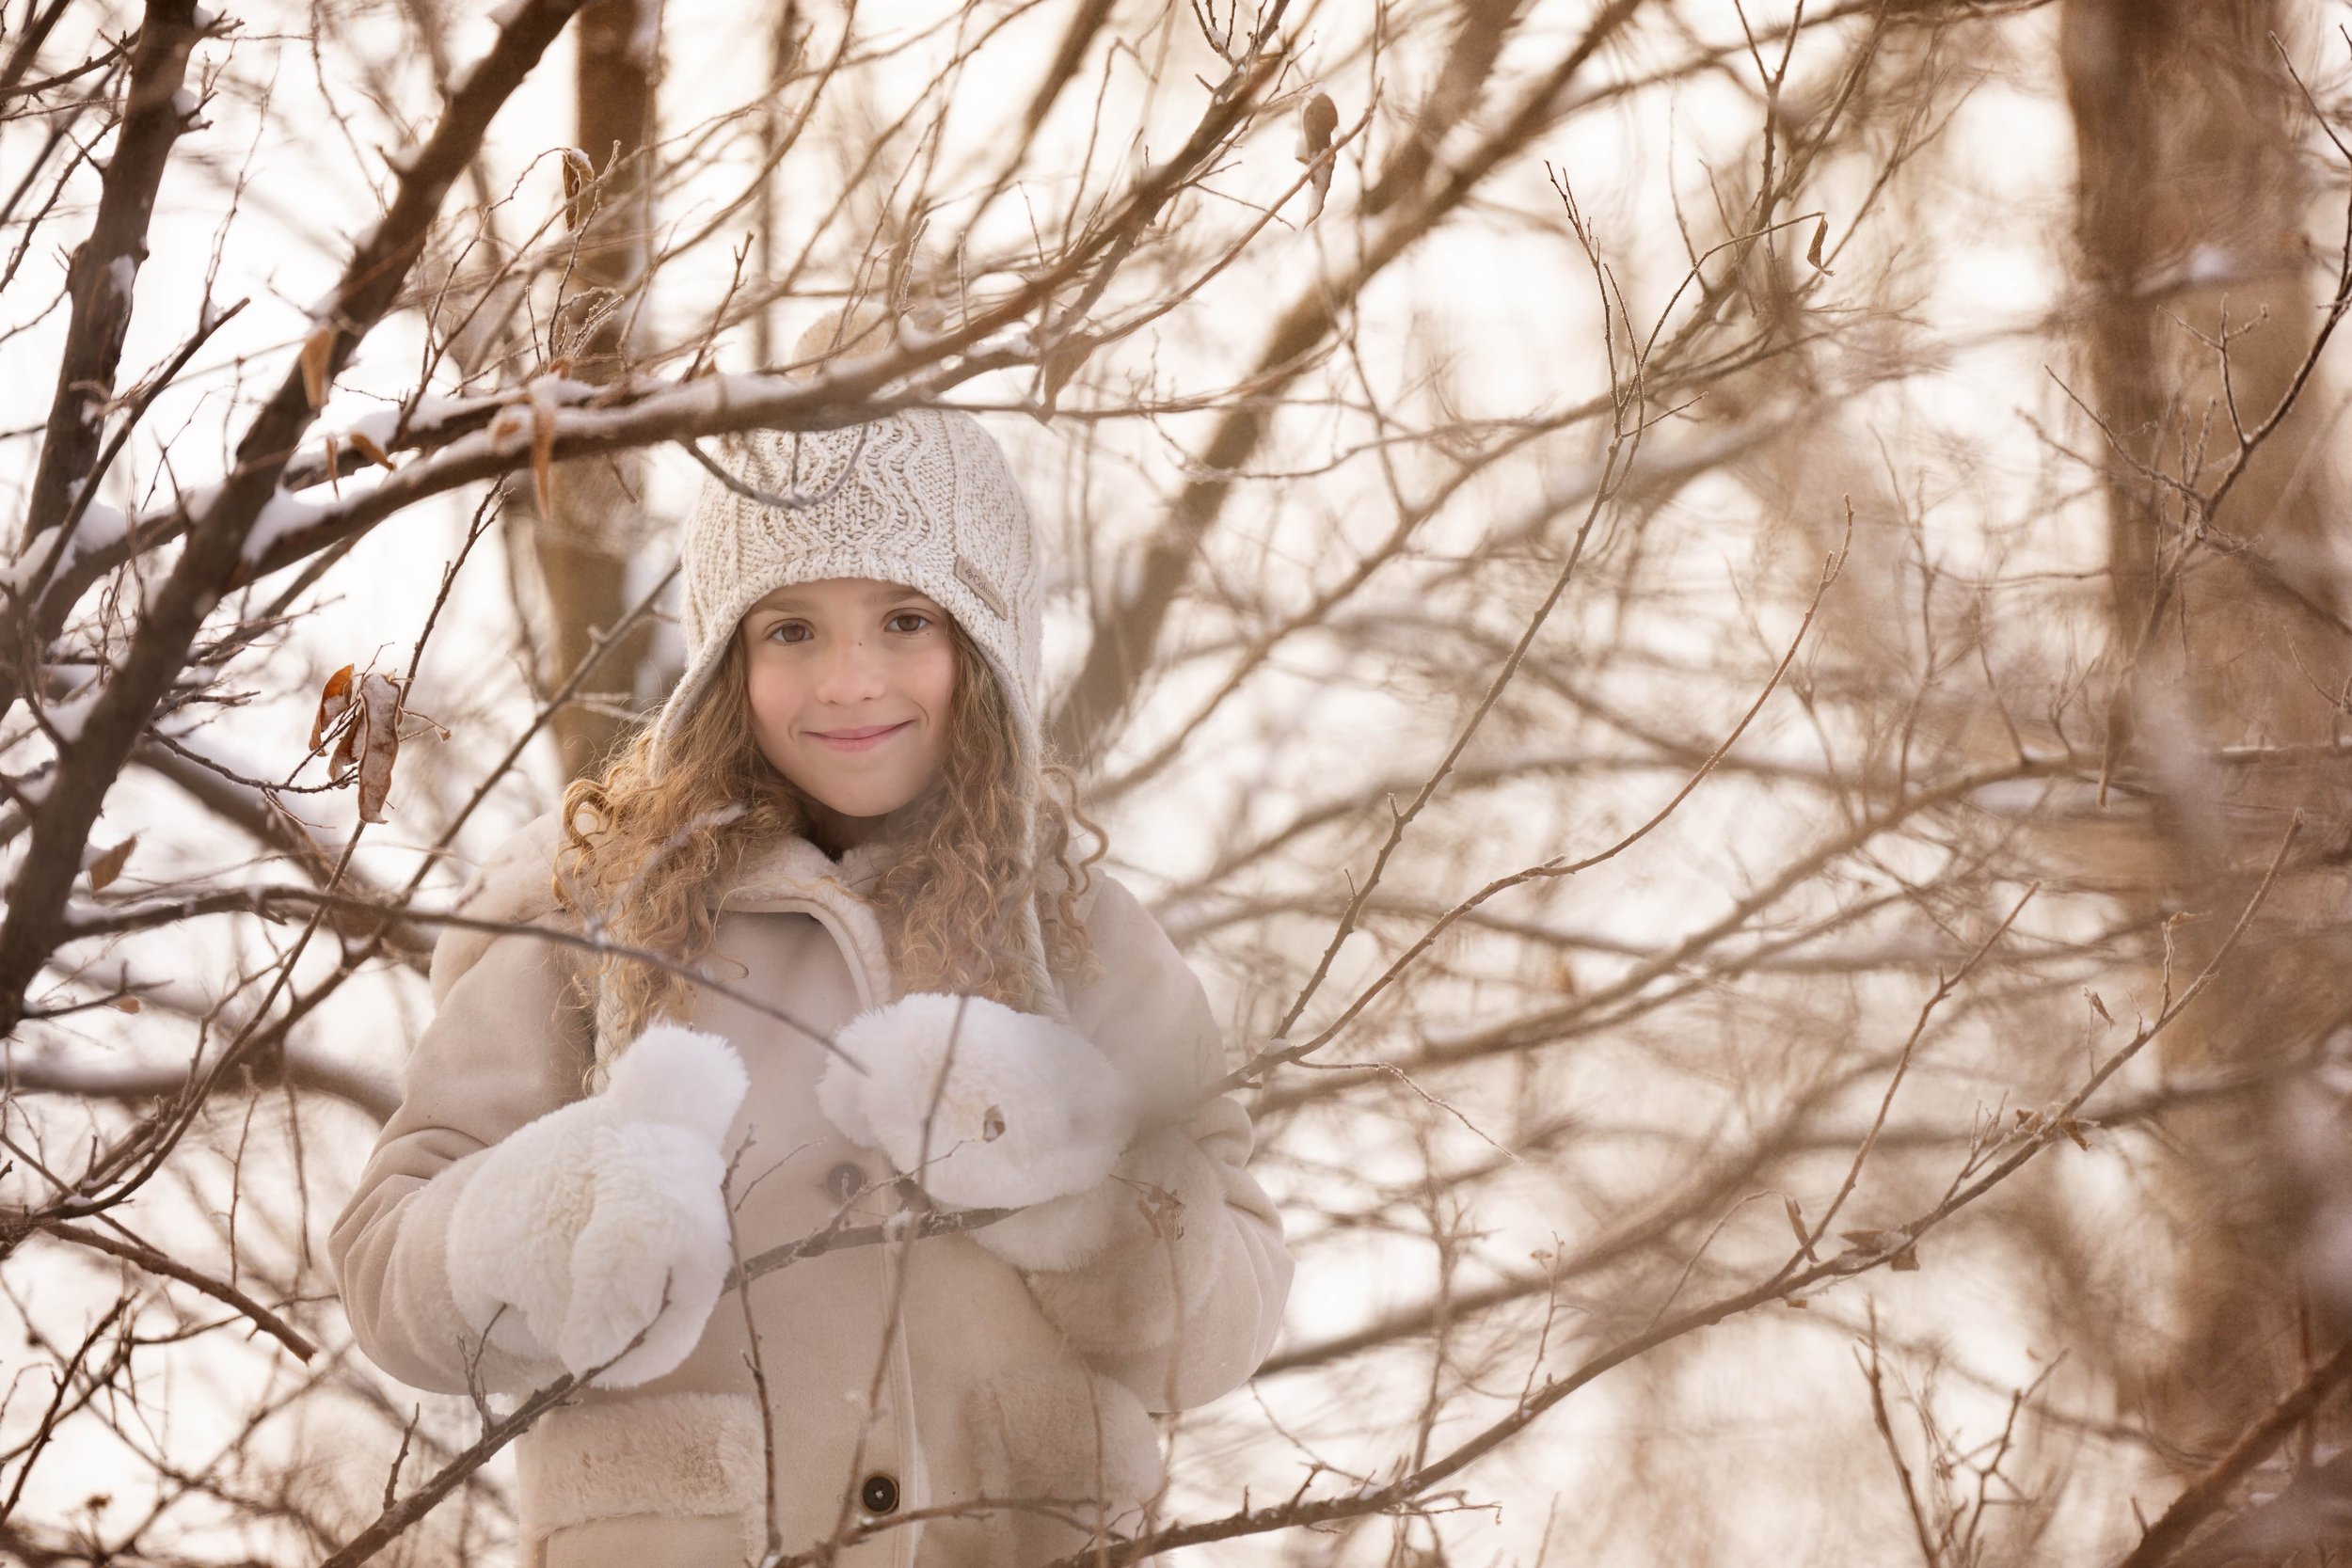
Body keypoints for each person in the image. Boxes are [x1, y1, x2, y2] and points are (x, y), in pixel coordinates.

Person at [326, 385, 1295, 1568]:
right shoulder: (577, 902)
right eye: (791, 629)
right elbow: (387, 1272)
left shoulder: (1079, 928)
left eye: (903, 621)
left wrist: (1078, 1190)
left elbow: (1229, 1315)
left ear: (984, 644)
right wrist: (548, 1220)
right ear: (728, 655)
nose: (848, 681)